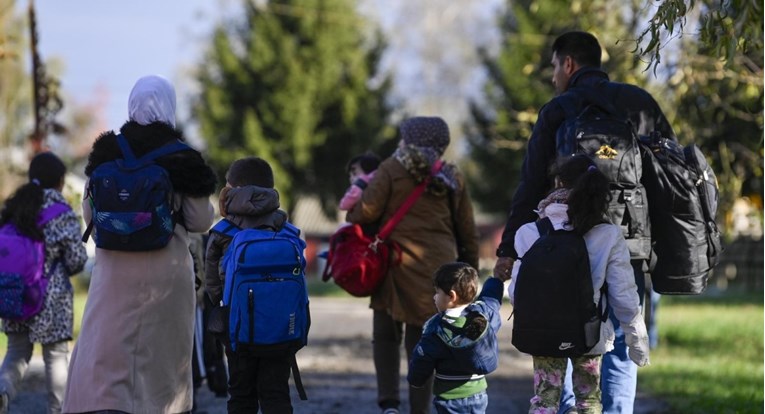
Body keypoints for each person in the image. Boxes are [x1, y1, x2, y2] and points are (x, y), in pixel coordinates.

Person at [493, 31, 674, 414]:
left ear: (569, 63)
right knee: (621, 342)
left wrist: (509, 247)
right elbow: (666, 177)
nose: (554, 75)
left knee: (571, 338)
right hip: (631, 242)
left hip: (567, 248)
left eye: (555, 66)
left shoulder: (560, 109)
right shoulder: (641, 105)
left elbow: (530, 185)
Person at [63, 75, 217, 414]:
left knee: (107, 350)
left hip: (113, 271)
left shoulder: (107, 151)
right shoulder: (184, 157)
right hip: (166, 272)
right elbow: (200, 221)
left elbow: (90, 211)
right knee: (162, 357)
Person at [346, 116, 480, 414]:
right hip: (440, 269)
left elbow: (363, 213)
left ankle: (390, 404)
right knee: (424, 340)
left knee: (385, 335)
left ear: (410, 139)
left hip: (394, 264)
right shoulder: (451, 175)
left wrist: (354, 203)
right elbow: (467, 229)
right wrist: (470, 269)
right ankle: (419, 409)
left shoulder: (392, 169)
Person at [506, 155, 650, 413]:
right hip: (589, 333)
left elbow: (517, 290)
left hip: (543, 333)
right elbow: (624, 294)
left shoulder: (529, 232)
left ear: (558, 182)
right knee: (588, 400)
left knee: (544, 400)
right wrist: (636, 340)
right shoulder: (607, 234)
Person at [204, 156, 294, 414]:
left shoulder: (223, 231)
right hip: (280, 327)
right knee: (276, 393)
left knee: (241, 394)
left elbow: (212, 286)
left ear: (230, 189)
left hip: (238, 327)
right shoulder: (285, 228)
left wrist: (222, 308)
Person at [0, 152, 88, 414]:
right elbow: (76, 260)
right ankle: (57, 410)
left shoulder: (14, 208)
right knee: (55, 357)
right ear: (60, 181)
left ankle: (2, 393)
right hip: (52, 299)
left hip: (15, 292)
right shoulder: (61, 212)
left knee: (16, 353)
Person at [408, 262, 503, 414]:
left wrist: (416, 380)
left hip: (450, 398)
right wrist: (496, 280)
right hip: (478, 395)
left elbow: (423, 356)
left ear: (451, 296)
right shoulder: (482, 314)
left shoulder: (436, 328)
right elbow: (491, 299)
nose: (434, 297)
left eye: (437, 292)